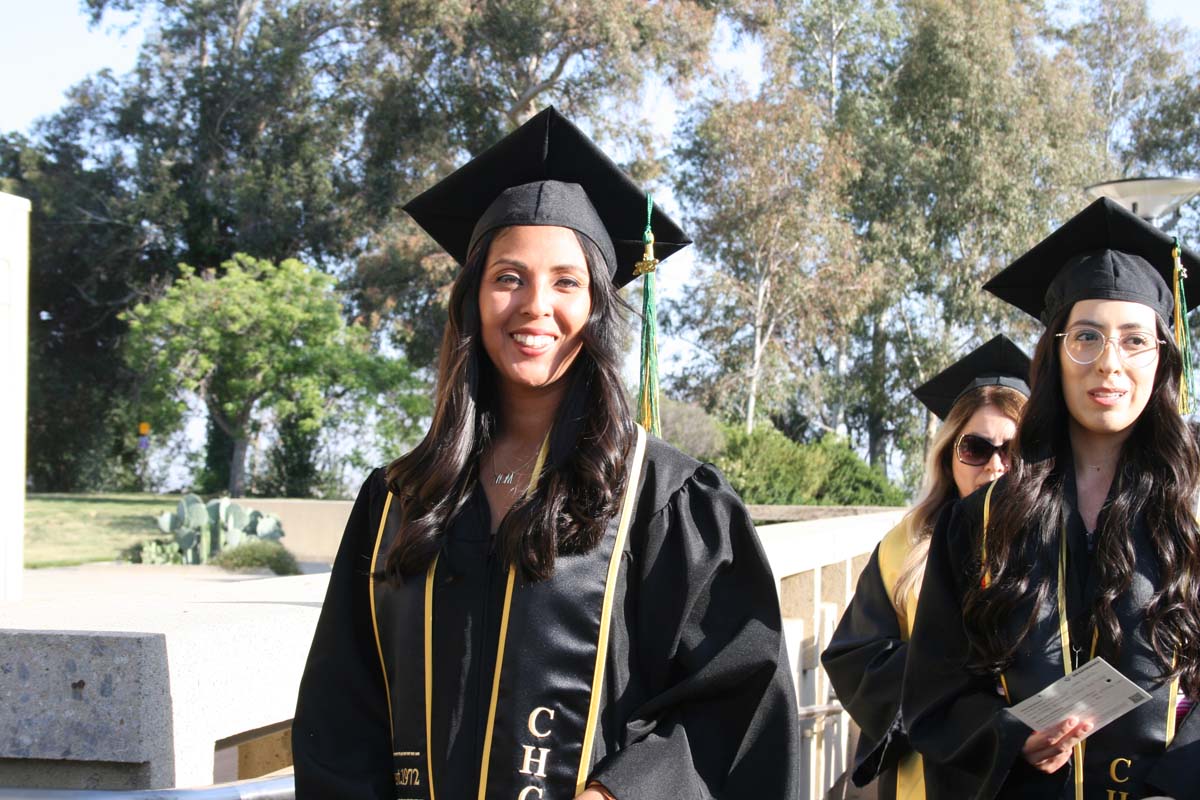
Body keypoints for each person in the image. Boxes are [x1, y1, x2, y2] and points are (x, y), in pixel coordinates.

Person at [291, 107, 801, 800]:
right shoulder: (398, 499)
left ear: (595, 307)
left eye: (566, 281)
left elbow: (737, 698)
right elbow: (341, 713)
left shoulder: (666, 500)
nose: (535, 305)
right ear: (473, 299)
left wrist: (619, 792)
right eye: (508, 277)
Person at [902, 196, 1200, 800]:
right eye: (1086, 337)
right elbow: (935, 690)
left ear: (1164, 357)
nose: (1109, 364)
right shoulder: (981, 520)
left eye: (1135, 340)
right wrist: (1009, 735)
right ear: (1055, 354)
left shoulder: (1193, 509)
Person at [822, 335, 1031, 800]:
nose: (995, 467)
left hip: (1037, 762)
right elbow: (854, 658)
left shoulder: (1059, 544)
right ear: (948, 455)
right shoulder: (906, 546)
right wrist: (952, 680)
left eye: (1011, 451)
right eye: (975, 448)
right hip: (932, 766)